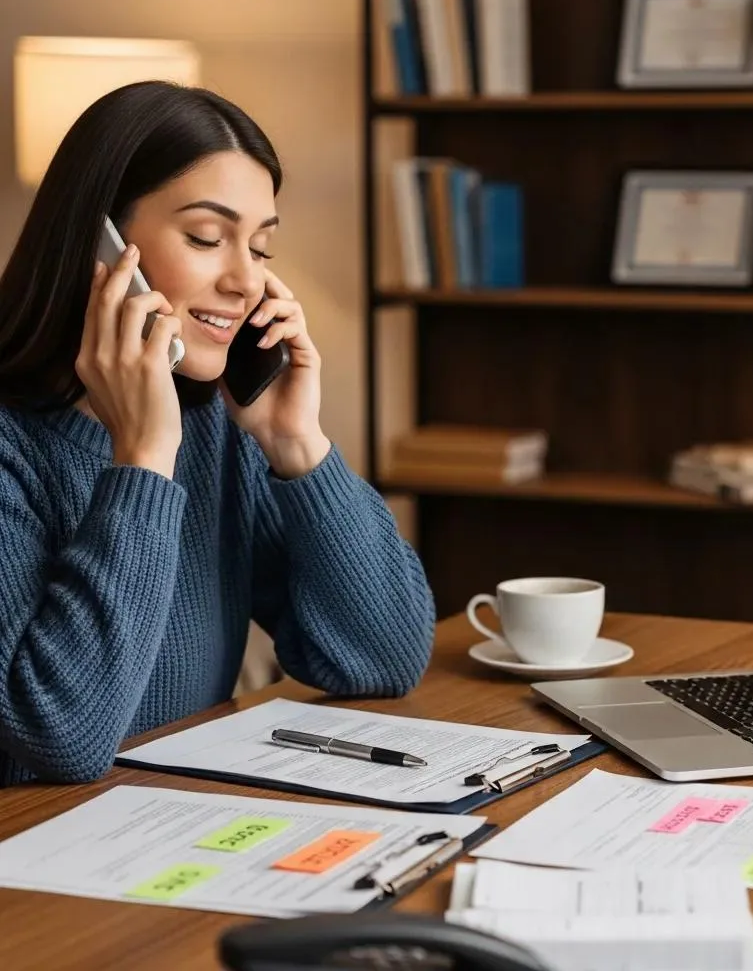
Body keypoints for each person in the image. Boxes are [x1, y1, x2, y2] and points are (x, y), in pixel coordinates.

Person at [0, 81, 435, 786]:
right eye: (207, 237)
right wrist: (142, 459)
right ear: (101, 245)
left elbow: (381, 660)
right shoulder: (16, 447)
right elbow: (63, 739)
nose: (245, 281)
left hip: (183, 834)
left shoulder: (214, 427)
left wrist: (298, 447)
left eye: (260, 247)